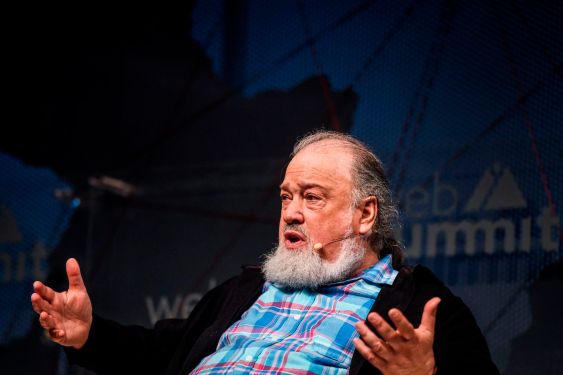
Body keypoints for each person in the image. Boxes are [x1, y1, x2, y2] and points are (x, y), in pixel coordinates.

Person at [31, 130, 498, 374]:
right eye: (285, 197)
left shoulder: (418, 311)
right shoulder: (246, 291)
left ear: (366, 215)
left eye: (311, 197)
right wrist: (88, 335)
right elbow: (158, 354)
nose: (291, 213)